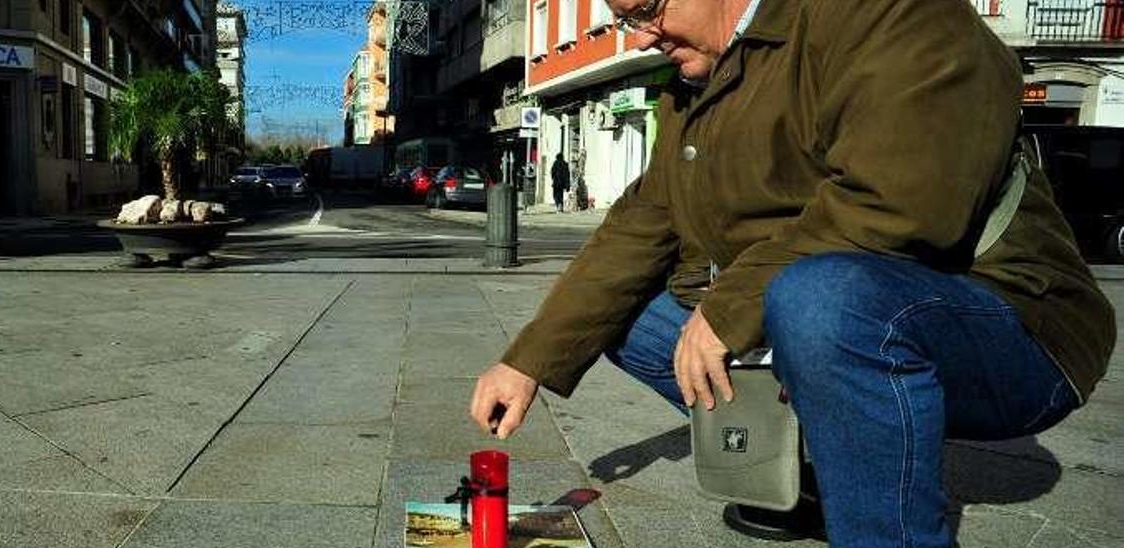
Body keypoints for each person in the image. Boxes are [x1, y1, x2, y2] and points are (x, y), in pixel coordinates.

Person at [468, 0, 1115, 546]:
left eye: (646, 10)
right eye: (623, 20)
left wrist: (728, 309)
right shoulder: (700, 85)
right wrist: (529, 361)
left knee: (822, 301)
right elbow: (642, 223)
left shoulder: (890, 15)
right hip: (835, 300)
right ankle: (809, 479)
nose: (641, 36)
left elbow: (898, 202)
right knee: (631, 313)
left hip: (1014, 325)